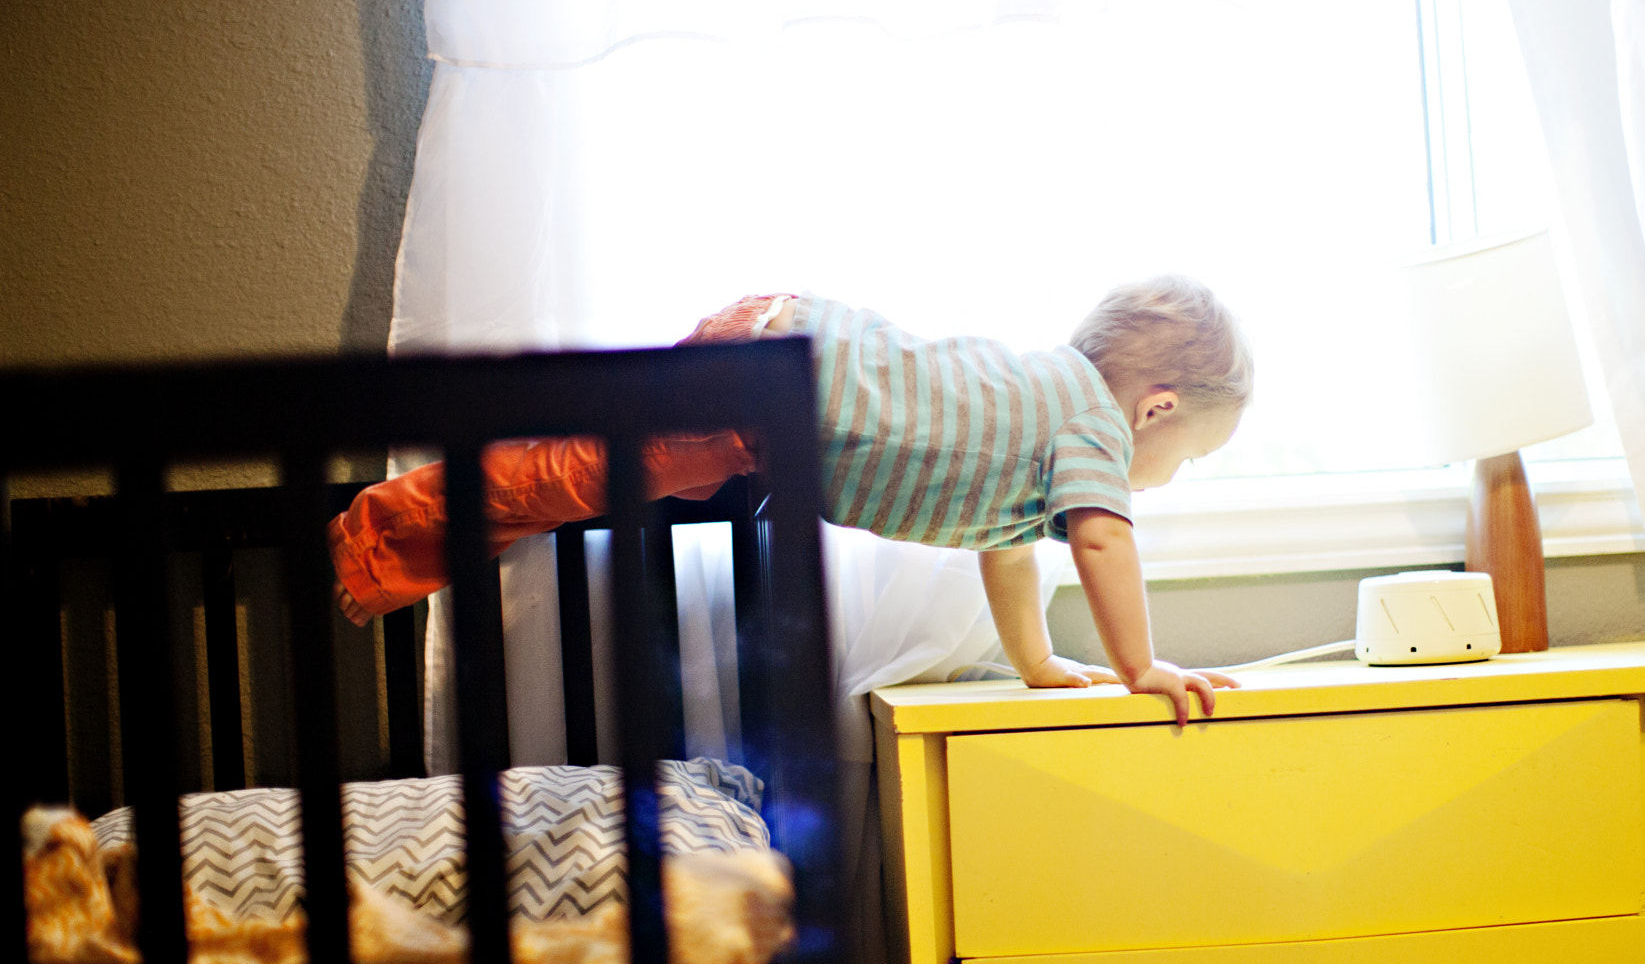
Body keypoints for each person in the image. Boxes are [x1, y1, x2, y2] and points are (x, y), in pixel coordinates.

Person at [329, 277, 1251, 723]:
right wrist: (1140, 668)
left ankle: (397, 530)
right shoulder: (1091, 423)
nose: (1157, 481)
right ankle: (372, 538)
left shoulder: (1041, 423)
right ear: (1154, 408)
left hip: (773, 357)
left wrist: (1040, 661)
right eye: (1183, 458)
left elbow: (1010, 551)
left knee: (594, 466)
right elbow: (1101, 545)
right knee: (571, 475)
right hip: (763, 388)